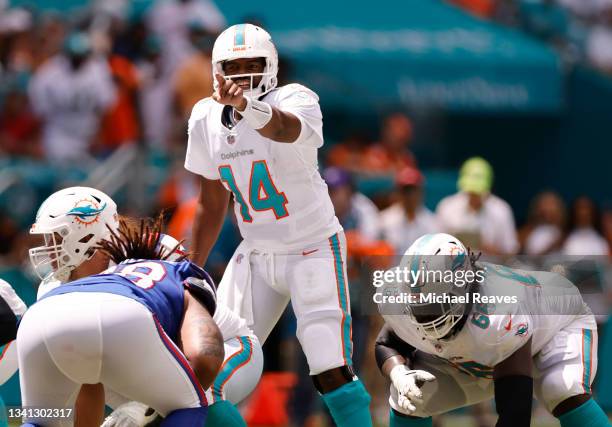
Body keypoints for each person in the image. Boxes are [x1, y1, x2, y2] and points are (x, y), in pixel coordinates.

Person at [184, 23, 372, 426]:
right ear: (218, 72)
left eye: (253, 64)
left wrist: (246, 108)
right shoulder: (205, 116)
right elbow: (211, 200)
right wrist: (191, 269)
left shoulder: (297, 98)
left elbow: (283, 128)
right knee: (205, 365)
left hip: (313, 247)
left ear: (270, 66)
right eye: (234, 67)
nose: (243, 75)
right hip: (255, 253)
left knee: (330, 369)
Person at [26, 187, 263, 427]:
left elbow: (191, 341)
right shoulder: (53, 288)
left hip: (219, 344)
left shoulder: (152, 253)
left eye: (57, 238)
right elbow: (86, 379)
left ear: (87, 235)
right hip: (143, 361)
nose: (49, 249)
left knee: (200, 394)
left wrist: (143, 408)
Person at [375, 233, 609, 427]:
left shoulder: (499, 314)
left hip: (556, 325)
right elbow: (387, 342)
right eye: (419, 308)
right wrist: (398, 373)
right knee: (410, 395)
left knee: (560, 389)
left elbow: (515, 413)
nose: (426, 317)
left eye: (435, 305)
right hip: (480, 353)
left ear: (462, 287)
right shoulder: (395, 295)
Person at [435, 157, 518, 255]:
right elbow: (435, 247)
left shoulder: (501, 210)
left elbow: (511, 252)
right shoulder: (447, 207)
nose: (473, 195)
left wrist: (486, 247)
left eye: (477, 191)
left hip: (490, 268)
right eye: (470, 191)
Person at [380, 166, 439, 254]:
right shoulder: (384, 220)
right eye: (406, 191)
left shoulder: (433, 223)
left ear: (421, 191)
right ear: (397, 192)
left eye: (414, 190)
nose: (410, 195)